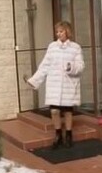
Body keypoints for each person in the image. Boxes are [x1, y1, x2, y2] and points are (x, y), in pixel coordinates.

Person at [26, 21, 85, 149]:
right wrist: (34, 80)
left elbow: (80, 66)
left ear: (67, 32)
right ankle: (58, 134)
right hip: (54, 84)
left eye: (61, 31)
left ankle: (68, 135)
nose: (58, 34)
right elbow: (45, 65)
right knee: (54, 111)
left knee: (68, 111)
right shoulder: (52, 47)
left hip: (69, 84)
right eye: (57, 32)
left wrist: (70, 67)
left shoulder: (75, 48)